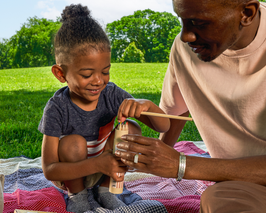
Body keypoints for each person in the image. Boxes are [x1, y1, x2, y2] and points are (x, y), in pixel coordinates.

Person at [115, 0, 266, 212]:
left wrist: (181, 165)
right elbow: (175, 113)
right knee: (219, 199)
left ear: (247, 13)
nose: (186, 36)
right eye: (182, 20)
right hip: (241, 184)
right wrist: (158, 161)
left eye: (199, 23)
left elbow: (179, 164)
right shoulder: (186, 49)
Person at [38, 4, 170, 213]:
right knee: (73, 143)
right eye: (87, 74)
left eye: (105, 71)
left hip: (106, 170)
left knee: (132, 129)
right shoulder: (57, 108)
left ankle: (106, 190)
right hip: (72, 173)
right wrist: (97, 164)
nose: (98, 81)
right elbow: (50, 170)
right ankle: (78, 197)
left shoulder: (112, 94)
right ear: (60, 74)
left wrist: (147, 105)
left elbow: (163, 126)